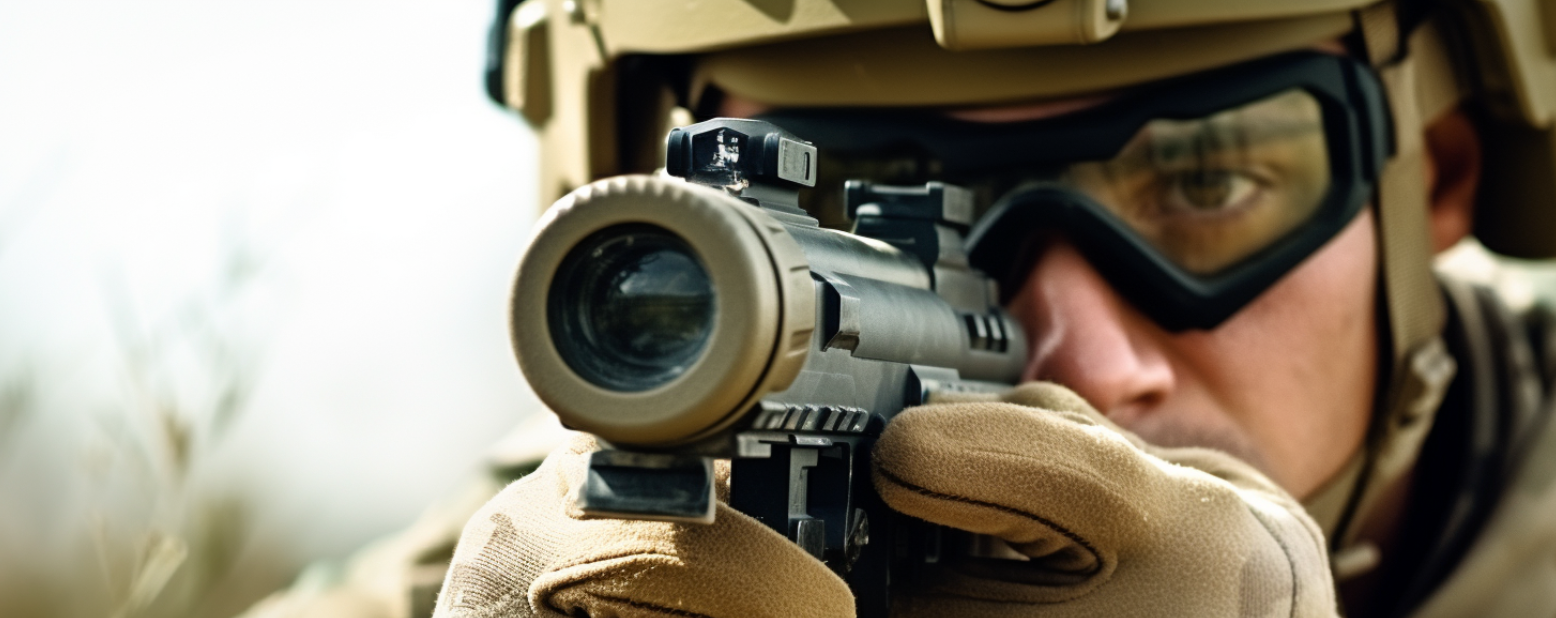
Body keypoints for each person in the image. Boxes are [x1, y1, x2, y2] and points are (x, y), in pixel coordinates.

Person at [246, 0, 1556, 616]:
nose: (1078, 359)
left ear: (1434, 172)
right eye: (864, 196)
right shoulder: (550, 582)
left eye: (1206, 178)